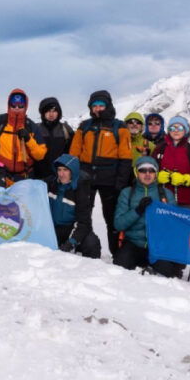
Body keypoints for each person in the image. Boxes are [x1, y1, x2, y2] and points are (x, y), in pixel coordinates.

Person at [68, 90, 133, 256]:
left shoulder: (119, 127)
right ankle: (84, 246)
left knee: (111, 218)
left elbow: (126, 158)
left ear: (108, 106)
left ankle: (117, 252)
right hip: (85, 177)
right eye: (94, 106)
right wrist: (74, 177)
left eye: (101, 105)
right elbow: (74, 155)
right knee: (83, 214)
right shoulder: (85, 126)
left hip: (109, 180)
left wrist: (121, 183)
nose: (98, 109)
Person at [112, 156, 182, 277]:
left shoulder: (166, 194)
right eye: (143, 170)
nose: (147, 174)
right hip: (133, 243)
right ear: (136, 173)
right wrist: (138, 210)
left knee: (171, 276)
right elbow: (118, 224)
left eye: (151, 170)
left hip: (158, 247)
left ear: (156, 174)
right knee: (118, 270)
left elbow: (174, 225)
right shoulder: (127, 193)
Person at [0, 89, 47, 182]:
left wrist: (28, 140)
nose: (16, 108)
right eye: (13, 105)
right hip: (0, 175)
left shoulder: (31, 127)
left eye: (20, 105)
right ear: (9, 105)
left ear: (25, 106)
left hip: (24, 177)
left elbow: (40, 155)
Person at [47, 154, 102, 258]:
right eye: (59, 170)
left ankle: (91, 269)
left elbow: (84, 223)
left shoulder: (80, 189)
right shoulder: (51, 184)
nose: (61, 174)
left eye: (65, 170)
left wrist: (71, 242)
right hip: (53, 229)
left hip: (72, 228)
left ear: (72, 171)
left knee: (92, 243)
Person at [152, 116, 190, 207]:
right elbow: (150, 169)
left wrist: (187, 179)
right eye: (172, 128)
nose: (176, 131)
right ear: (168, 130)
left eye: (180, 127)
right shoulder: (160, 149)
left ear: (185, 130)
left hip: (187, 202)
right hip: (162, 199)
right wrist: (156, 176)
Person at [33, 97, 75, 179]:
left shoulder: (66, 129)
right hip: (39, 175)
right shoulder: (36, 129)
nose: (51, 114)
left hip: (61, 176)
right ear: (43, 113)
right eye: (48, 111)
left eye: (54, 111)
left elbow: (72, 153)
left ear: (58, 113)